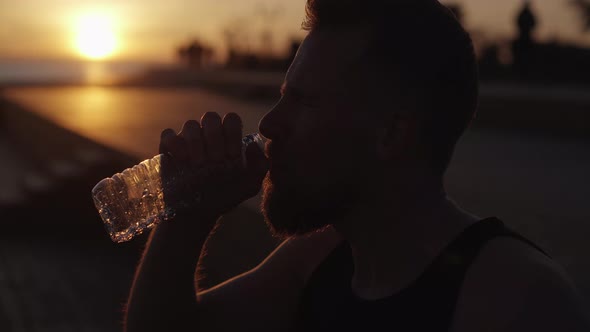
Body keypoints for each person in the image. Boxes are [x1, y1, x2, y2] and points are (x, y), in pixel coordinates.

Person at [124, 1, 590, 331]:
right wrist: (187, 215)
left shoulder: (516, 299)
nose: (269, 123)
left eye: (303, 102)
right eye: (283, 97)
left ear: (391, 133)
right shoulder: (320, 261)